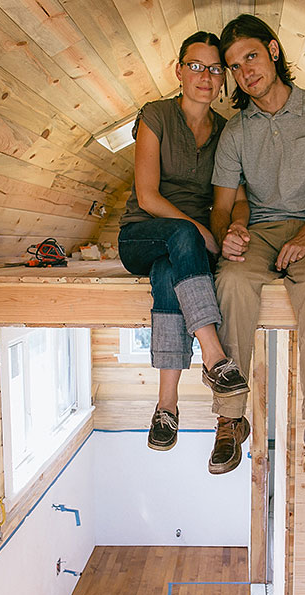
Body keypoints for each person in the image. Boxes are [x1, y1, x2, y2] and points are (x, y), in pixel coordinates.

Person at [208, 14, 305, 481]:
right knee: (230, 280)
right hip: (260, 230)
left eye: (250, 56)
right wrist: (231, 232)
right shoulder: (235, 132)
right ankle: (231, 416)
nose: (245, 71)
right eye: (233, 66)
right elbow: (223, 204)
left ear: (273, 50)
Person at [118, 32, 250, 453]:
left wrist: (235, 227)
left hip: (185, 251)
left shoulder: (227, 132)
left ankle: (166, 406)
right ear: (178, 70)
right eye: (195, 66)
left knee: (167, 275)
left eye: (214, 69)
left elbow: (240, 199)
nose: (205, 76)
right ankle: (213, 355)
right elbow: (147, 196)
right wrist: (202, 232)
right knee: (178, 238)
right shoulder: (155, 115)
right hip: (142, 234)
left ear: (223, 79)